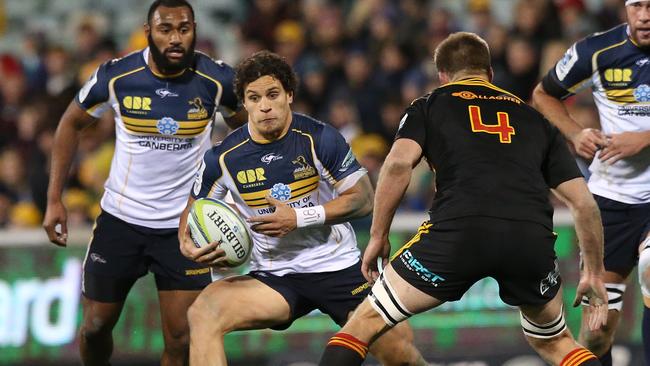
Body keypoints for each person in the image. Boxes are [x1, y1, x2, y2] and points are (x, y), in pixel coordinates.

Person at [318, 31, 609, 366]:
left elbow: (398, 163)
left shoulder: (430, 104)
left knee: (364, 322)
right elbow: (584, 204)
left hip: (459, 232)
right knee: (556, 341)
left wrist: (379, 235)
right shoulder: (535, 118)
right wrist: (595, 273)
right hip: (529, 238)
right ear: (490, 74)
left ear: (442, 76)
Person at [179, 50, 426, 366]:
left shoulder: (320, 138)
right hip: (274, 276)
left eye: (272, 94)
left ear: (289, 94)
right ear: (244, 103)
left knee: (401, 352)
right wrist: (185, 242)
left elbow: (363, 199)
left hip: (337, 268)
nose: (265, 105)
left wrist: (298, 217)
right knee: (203, 311)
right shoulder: (223, 158)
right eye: (254, 98)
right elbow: (193, 207)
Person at [42, 1, 246, 365]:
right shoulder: (116, 76)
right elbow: (70, 124)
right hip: (121, 220)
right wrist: (54, 198)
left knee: (181, 340)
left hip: (184, 229)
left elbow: (247, 138)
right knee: (94, 326)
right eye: (165, 29)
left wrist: (232, 196)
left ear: (195, 30)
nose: (175, 38)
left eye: (184, 29)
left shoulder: (218, 81)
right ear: (148, 31)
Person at [532, 1, 650, 364]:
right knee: (596, 335)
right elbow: (543, 93)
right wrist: (574, 131)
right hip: (610, 201)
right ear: (625, 9)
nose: (645, 15)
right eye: (638, 6)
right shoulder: (596, 51)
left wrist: (645, 138)